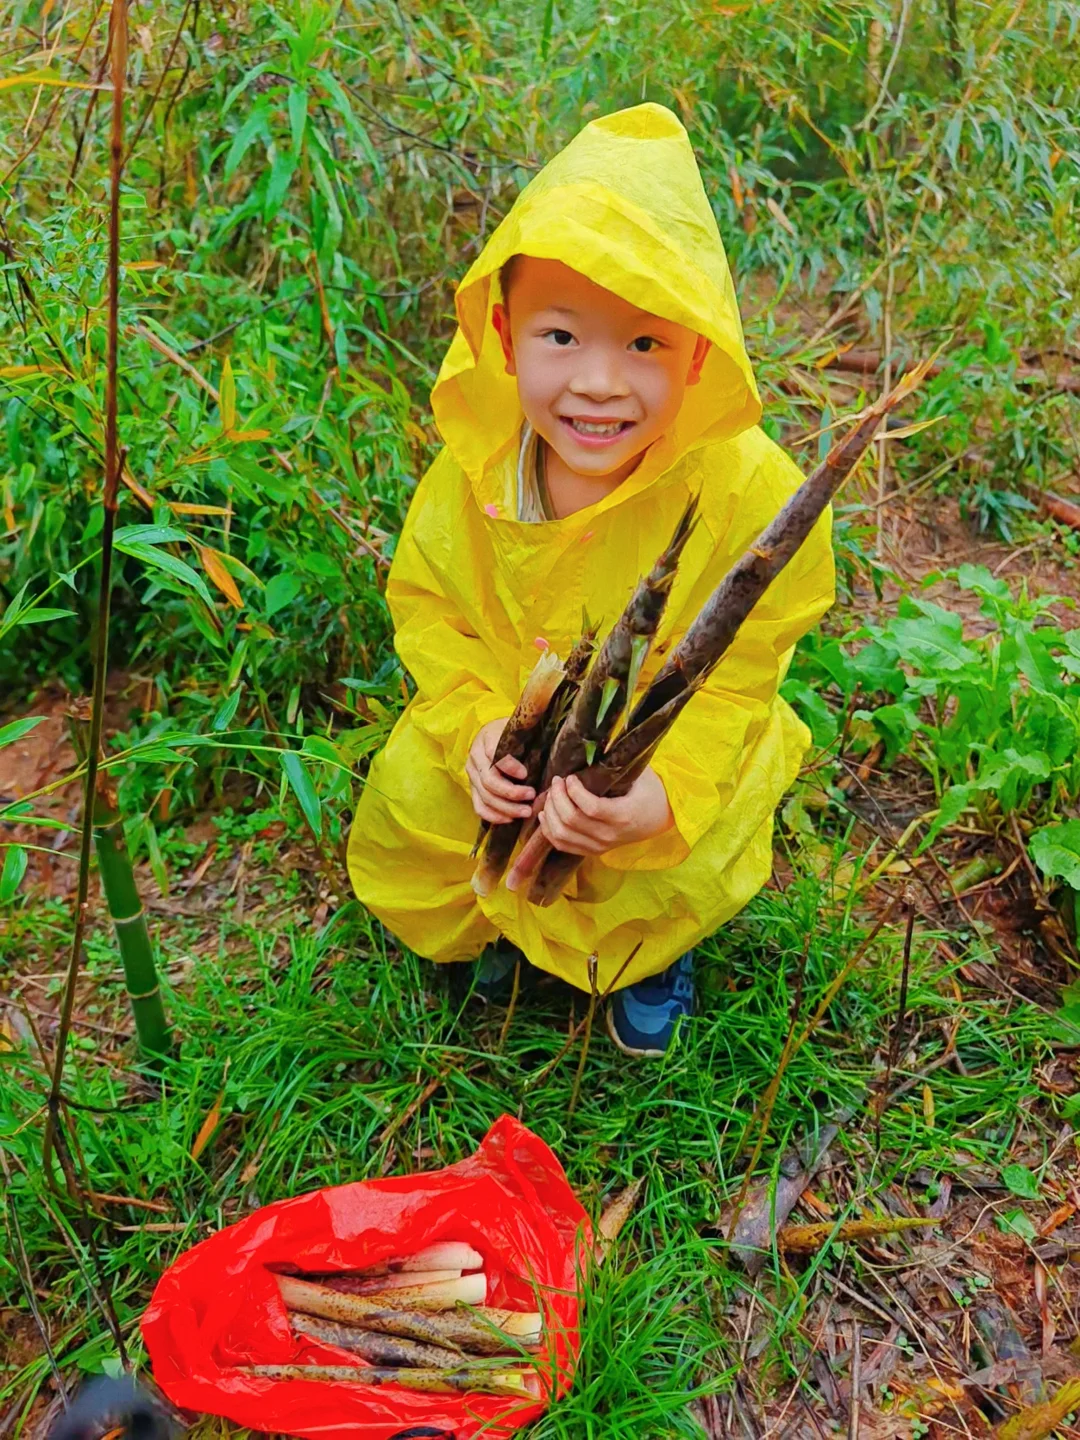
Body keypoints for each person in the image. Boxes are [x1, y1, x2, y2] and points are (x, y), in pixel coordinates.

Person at [348, 103, 834, 1056]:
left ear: (698, 350)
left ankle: (648, 954)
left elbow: (746, 667)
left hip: (651, 757)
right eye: (561, 337)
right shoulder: (478, 471)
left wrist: (663, 797)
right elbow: (432, 612)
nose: (600, 384)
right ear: (503, 329)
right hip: (514, 736)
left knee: (671, 851)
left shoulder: (747, 490)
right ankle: (497, 910)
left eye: (645, 344)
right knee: (418, 789)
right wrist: (478, 732)